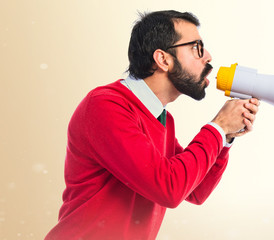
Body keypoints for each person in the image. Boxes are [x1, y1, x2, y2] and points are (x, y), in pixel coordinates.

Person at [45, 10, 259, 239]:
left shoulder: (161, 118)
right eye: (196, 47)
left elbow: (196, 190)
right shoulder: (105, 105)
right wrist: (218, 127)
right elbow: (169, 188)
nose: (207, 56)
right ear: (163, 59)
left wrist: (225, 137)